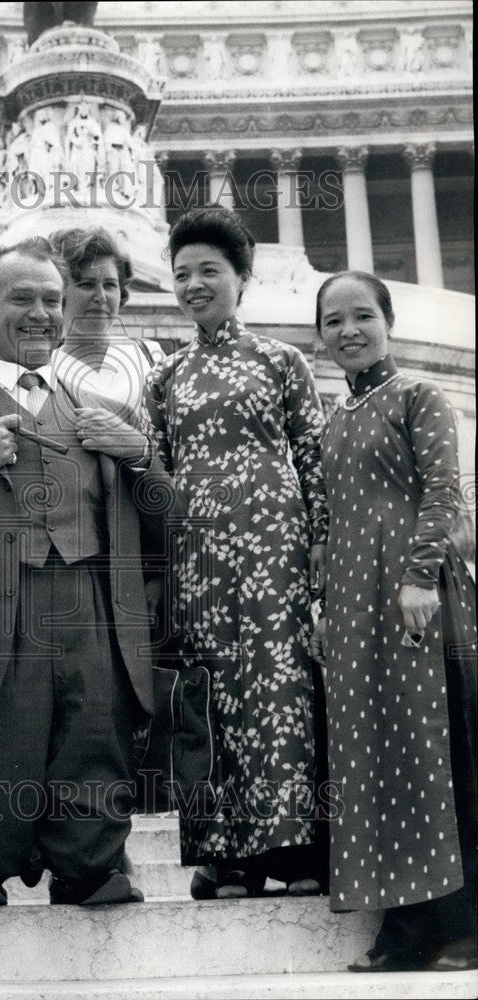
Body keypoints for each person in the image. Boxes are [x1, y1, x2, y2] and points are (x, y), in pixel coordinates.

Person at [0, 236, 174, 907]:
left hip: (89, 605)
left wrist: (141, 458)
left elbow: (168, 523)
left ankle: (91, 866)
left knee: (92, 737)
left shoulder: (107, 413)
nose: (40, 313)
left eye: (52, 300)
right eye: (21, 298)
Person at [145, 206, 328, 900]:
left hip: (274, 549)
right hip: (200, 558)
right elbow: (155, 475)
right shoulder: (166, 376)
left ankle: (297, 845)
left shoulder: (282, 361)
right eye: (182, 273)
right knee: (210, 697)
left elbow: (310, 456)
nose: (194, 284)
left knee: (280, 690)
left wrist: (317, 546)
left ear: (241, 278)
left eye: (209, 271)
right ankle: (223, 852)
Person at [313, 270, 477, 972]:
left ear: (387, 322)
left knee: (439, 757)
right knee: (375, 761)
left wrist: (417, 577)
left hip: (419, 604)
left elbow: (442, 489)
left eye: (361, 317)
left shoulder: (419, 397)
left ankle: (464, 925)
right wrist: (320, 604)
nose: (348, 331)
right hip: (355, 613)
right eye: (332, 321)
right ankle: (405, 930)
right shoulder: (334, 419)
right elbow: (327, 523)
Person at [49, 225, 165, 427]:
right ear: (60, 292)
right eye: (87, 285)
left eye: (110, 285)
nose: (101, 297)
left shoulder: (151, 357)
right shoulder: (42, 370)